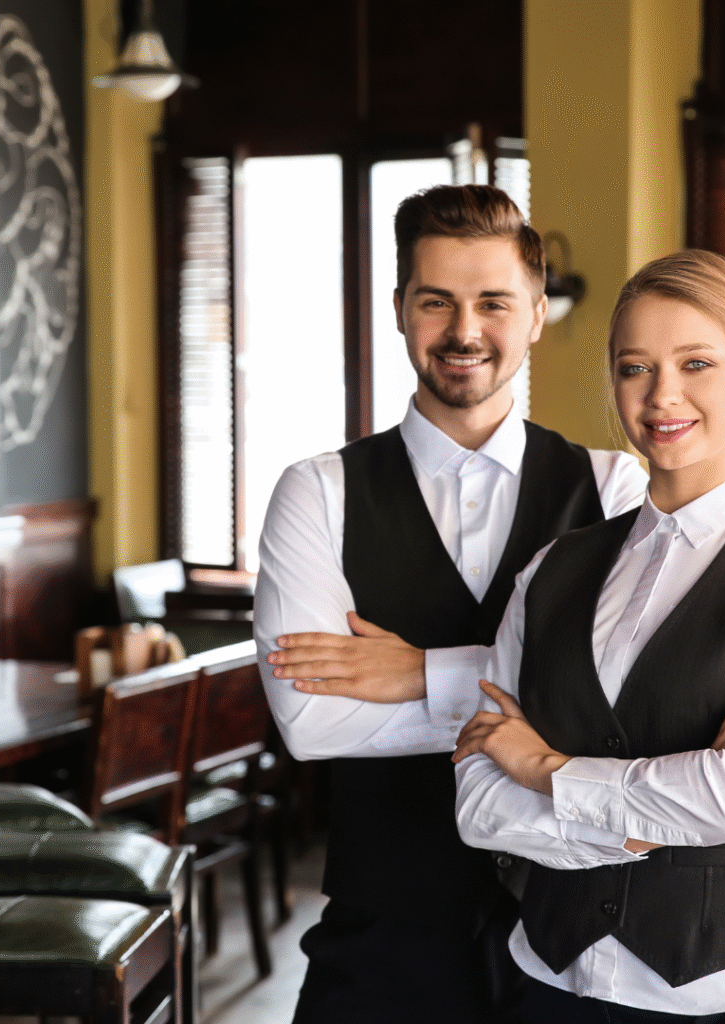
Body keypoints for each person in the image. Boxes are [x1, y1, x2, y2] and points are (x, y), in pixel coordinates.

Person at [254, 184, 649, 1024]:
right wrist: (534, 701)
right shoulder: (316, 492)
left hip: (574, 940)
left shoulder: (613, 488)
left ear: (538, 314)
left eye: (494, 303)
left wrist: (417, 674)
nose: (464, 332)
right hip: (381, 941)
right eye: (437, 301)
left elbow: (631, 706)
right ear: (400, 309)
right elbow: (309, 721)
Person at [453, 249, 725, 1022]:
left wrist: (549, 766)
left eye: (697, 362)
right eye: (635, 367)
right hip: (551, 985)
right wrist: (645, 822)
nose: (663, 393)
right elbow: (477, 802)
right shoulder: (551, 570)